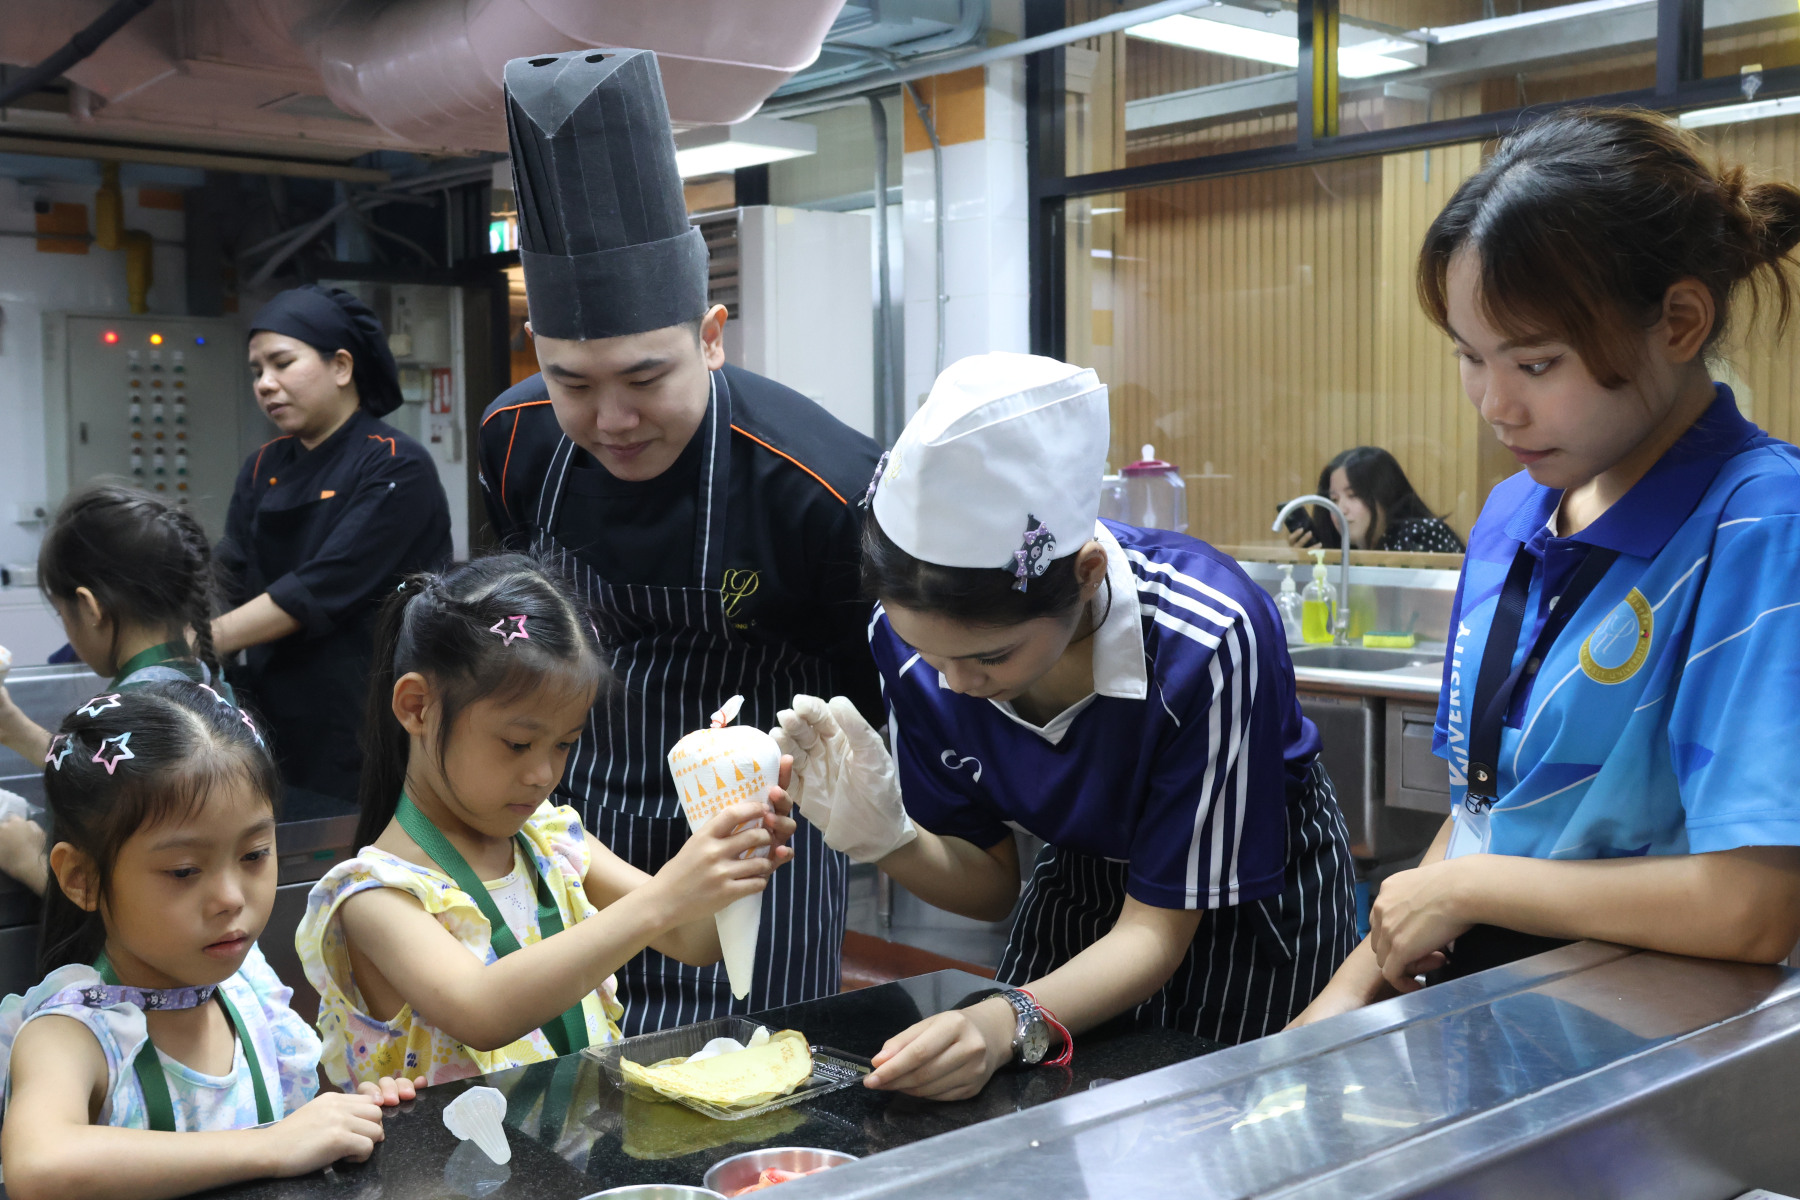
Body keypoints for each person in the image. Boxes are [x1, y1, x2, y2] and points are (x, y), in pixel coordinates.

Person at [1293, 108, 1800, 1027]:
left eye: (1535, 363)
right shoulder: (1513, 511)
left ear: (1680, 322)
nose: (1496, 406)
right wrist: (1343, 998)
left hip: (1649, 1039)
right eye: (1469, 357)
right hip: (1491, 1011)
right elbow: (1484, 810)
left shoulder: (1762, 524)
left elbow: (1751, 906)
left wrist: (1469, 889)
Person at [772, 353, 1357, 1101]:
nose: (955, 684)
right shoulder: (909, 643)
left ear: (1086, 575)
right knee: (1037, 1123)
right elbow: (990, 887)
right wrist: (889, 840)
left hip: (1248, 901)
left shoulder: (1204, 638)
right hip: (1082, 875)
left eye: (990, 657)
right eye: (930, 653)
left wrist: (1003, 1020)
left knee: (1223, 1122)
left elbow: (1156, 933)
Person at [477, 49, 881, 1032]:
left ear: (711, 335)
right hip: (582, 836)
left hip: (763, 850)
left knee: (768, 1073)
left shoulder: (819, 485)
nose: (611, 420)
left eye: (645, 378)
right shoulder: (515, 438)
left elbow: (863, 713)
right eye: (573, 382)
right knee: (578, 1077)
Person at [295, 555, 795, 1087]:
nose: (543, 774)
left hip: (583, 1139)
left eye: (564, 744)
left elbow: (695, 942)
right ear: (417, 706)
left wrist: (738, 843)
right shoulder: (375, 893)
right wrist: (667, 894)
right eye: (518, 743)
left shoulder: (554, 841)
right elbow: (482, 1011)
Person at [0, 683, 419, 1200]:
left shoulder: (249, 987)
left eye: (254, 855)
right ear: (82, 879)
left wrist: (355, 1115)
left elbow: (298, 1129)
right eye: (183, 870)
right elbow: (38, 1165)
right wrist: (270, 1145)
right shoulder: (74, 1034)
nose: (230, 898)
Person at [214, 285, 453, 807]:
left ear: (341, 366)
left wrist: (206, 639)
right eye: (257, 371)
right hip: (273, 711)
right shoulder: (262, 466)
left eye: (282, 363)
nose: (265, 383)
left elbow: (323, 585)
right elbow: (229, 572)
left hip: (366, 715)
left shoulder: (394, 463)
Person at [0, 484, 233, 895]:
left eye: (63, 614)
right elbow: (115, 772)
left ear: (90, 608)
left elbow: (128, 901)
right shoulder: (202, 679)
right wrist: (14, 728)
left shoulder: (133, 708)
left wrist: (26, 858)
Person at [1286, 447, 1464, 554]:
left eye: (1353, 496)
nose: (1340, 509)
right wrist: (1307, 566)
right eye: (1334, 499)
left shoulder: (1422, 534)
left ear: (1385, 495)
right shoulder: (1344, 547)